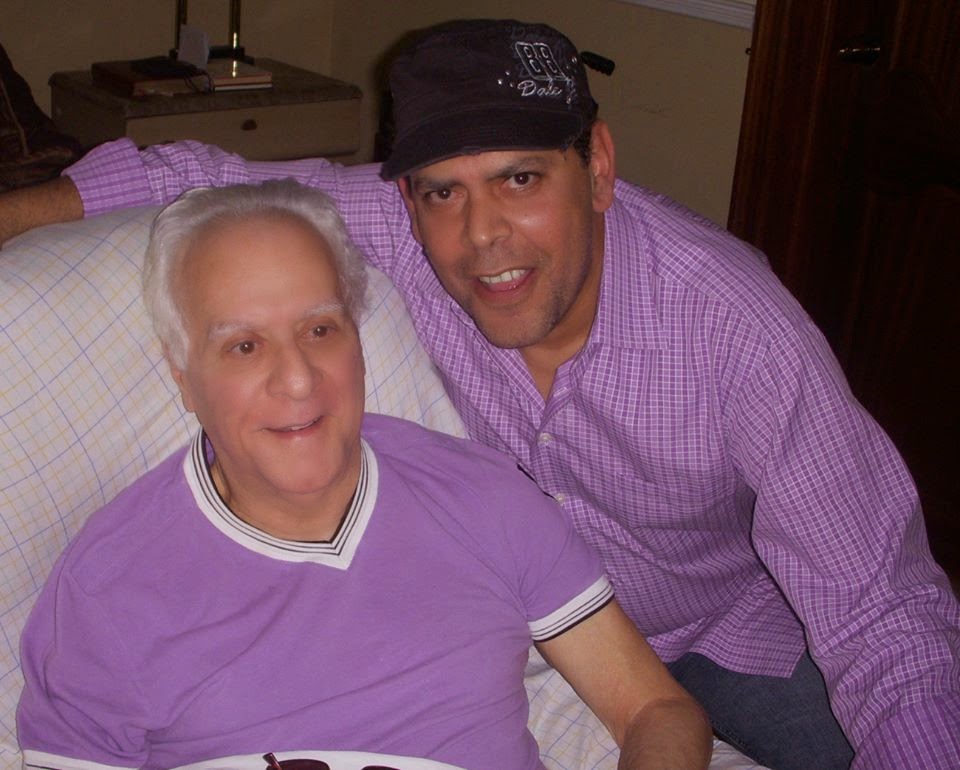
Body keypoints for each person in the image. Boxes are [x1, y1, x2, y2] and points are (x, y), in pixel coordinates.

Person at [4, 17, 958, 770]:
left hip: (719, 637)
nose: (482, 235)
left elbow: (882, 609)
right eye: (442, 191)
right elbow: (196, 178)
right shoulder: (403, 230)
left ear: (599, 167)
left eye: (520, 177)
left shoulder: (736, 328)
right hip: (509, 626)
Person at [16, 179, 711, 770]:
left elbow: (655, 708)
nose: (297, 380)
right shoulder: (111, 589)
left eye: (320, 330)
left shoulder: (485, 499)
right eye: (245, 346)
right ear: (183, 375)